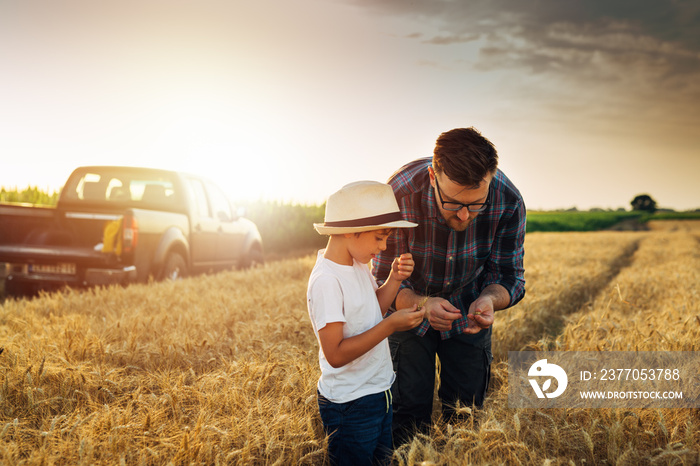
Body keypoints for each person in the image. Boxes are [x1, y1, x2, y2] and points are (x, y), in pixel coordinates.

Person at [372, 127, 526, 445]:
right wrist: (422, 304)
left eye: (477, 204)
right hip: (408, 318)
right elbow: (381, 279)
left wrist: (488, 299)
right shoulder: (397, 194)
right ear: (433, 175)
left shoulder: (509, 201)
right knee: (408, 414)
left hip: (469, 315)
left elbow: (510, 275)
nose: (465, 214)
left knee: (465, 416)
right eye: (454, 203)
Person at [307, 180, 427, 465]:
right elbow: (335, 355)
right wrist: (391, 325)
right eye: (379, 237)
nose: (384, 247)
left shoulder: (357, 264)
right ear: (350, 232)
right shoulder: (327, 281)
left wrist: (395, 279)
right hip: (351, 405)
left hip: (379, 392)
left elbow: (372, 309)